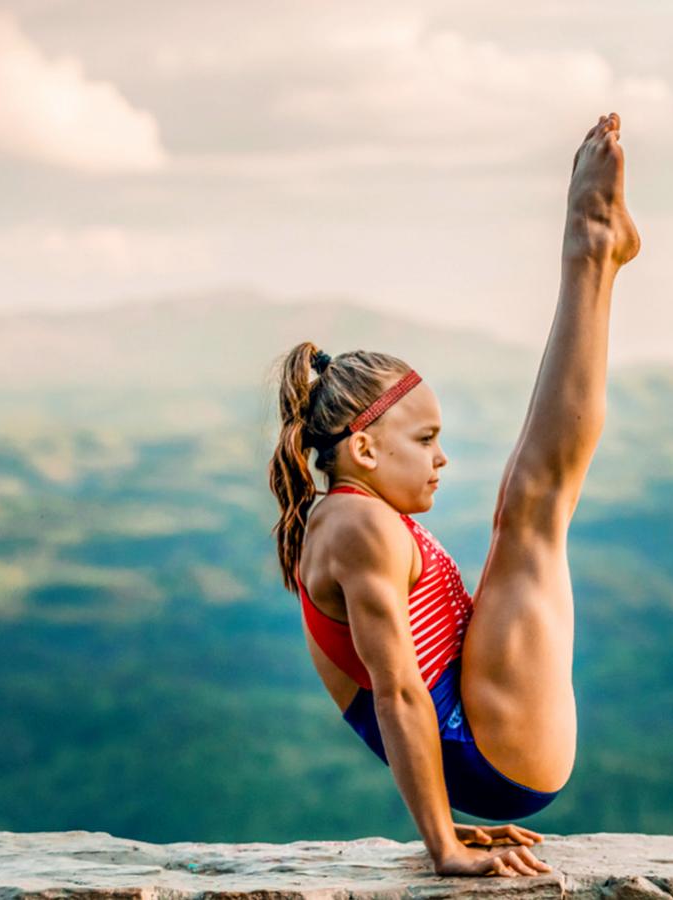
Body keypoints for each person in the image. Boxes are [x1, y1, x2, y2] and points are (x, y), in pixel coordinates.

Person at [268, 112, 640, 878]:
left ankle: (597, 255)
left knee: (530, 507)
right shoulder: (358, 529)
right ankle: (591, 252)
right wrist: (443, 845)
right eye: (425, 440)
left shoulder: (343, 517)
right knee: (533, 506)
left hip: (478, 732)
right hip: (490, 749)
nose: (442, 460)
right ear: (364, 448)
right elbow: (398, 692)